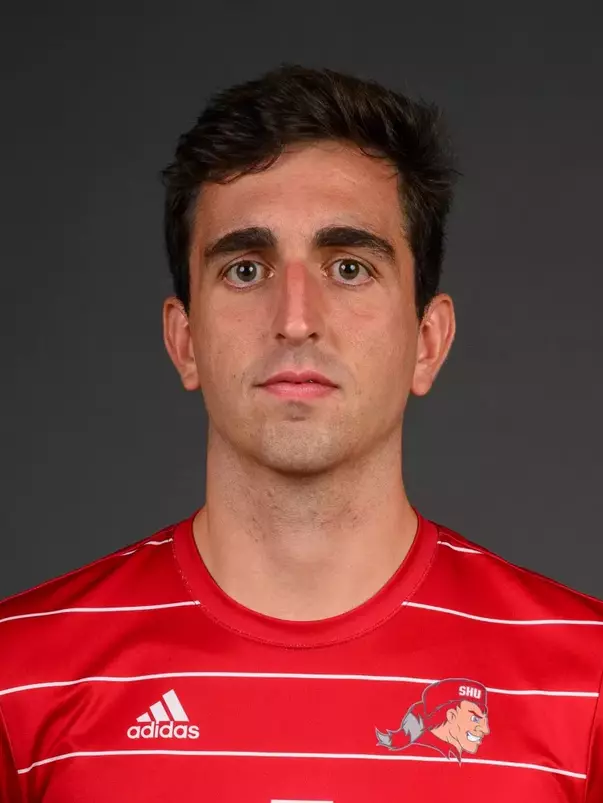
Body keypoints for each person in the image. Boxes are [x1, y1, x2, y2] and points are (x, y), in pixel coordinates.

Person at [0, 63, 601, 803]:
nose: (294, 318)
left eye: (348, 267)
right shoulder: (18, 678)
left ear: (427, 341)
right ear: (184, 341)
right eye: (245, 269)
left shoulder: (587, 684)